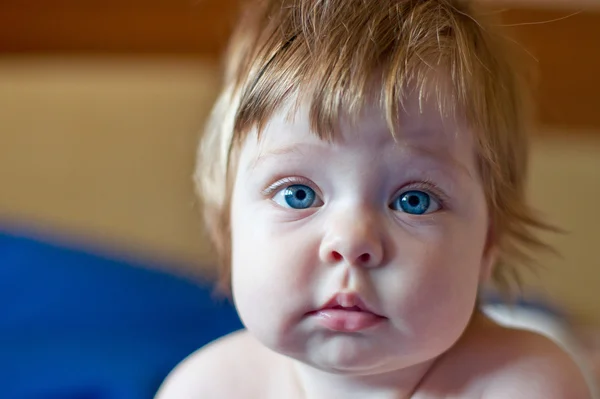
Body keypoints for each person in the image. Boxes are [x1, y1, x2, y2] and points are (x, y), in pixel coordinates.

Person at [156, 0, 592, 397]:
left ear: (487, 245)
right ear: (227, 230)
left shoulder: (523, 384)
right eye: (298, 194)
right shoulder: (206, 386)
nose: (351, 241)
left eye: (414, 201)